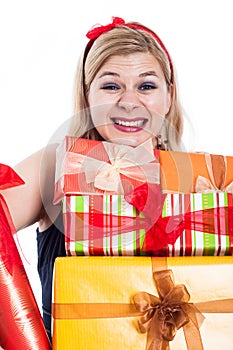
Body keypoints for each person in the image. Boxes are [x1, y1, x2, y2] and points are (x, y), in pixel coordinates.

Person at [0, 16, 184, 341]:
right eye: (111, 85)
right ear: (88, 96)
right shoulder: (55, 166)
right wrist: (24, 338)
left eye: (146, 86)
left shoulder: (202, 181)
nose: (129, 102)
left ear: (168, 96)